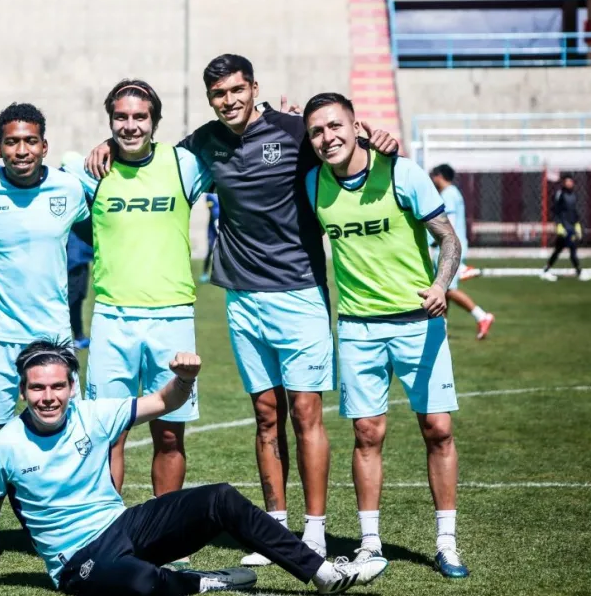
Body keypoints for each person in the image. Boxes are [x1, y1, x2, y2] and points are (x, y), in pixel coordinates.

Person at [86, 55, 399, 566]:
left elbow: (341, 150)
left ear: (255, 87)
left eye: (237, 90)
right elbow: (143, 151)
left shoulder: (297, 131)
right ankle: (274, 527)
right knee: (265, 415)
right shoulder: (204, 144)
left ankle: (314, 533)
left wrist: (377, 139)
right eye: (219, 94)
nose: (229, 101)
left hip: (300, 292)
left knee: (305, 414)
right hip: (242, 297)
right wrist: (106, 144)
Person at [0, 340, 389, 596]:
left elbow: (163, 401)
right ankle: (202, 581)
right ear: (23, 391)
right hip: (76, 562)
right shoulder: (2, 446)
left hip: (124, 525)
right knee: (141, 584)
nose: (49, 396)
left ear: (72, 388)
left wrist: (184, 378)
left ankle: (321, 572)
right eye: (37, 388)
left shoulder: (91, 414)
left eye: (58, 386)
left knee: (219, 497)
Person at [304, 92, 469, 578]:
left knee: (438, 429)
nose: (327, 137)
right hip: (357, 328)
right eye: (316, 131)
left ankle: (446, 543)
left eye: (336, 126)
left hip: (418, 324)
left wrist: (441, 285)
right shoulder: (313, 183)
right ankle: (370, 543)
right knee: (366, 433)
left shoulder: (402, 173)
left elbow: (448, 238)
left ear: (357, 126)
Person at [63, 81, 207, 559]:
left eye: (139, 117)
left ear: (155, 122)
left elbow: (233, 146)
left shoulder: (183, 164)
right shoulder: (91, 172)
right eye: (121, 118)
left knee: (170, 432)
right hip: (112, 318)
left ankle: (168, 538)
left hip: (171, 318)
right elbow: (34, 178)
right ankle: (105, 533)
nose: (130, 125)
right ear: (109, 122)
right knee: (109, 433)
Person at [0, 102, 90, 575]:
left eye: (30, 140)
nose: (22, 149)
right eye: (12, 141)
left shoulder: (69, 189)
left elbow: (107, 224)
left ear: (44, 145)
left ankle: (72, 526)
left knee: (68, 432)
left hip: (51, 334)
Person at [429, 164, 495, 339]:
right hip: (451, 247)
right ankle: (440, 328)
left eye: (432, 175)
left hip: (447, 248)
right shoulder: (453, 193)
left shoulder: (448, 194)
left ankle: (482, 316)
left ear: (439, 176)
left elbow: (448, 222)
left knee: (447, 289)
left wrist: (437, 243)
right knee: (443, 291)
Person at [541, 173, 591, 281]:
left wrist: (577, 226)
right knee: (572, 249)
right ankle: (579, 272)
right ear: (563, 183)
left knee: (558, 250)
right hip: (564, 228)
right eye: (567, 181)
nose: (569, 183)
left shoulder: (573, 195)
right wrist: (559, 226)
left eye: (571, 181)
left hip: (571, 227)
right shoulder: (559, 194)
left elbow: (574, 212)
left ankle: (545, 270)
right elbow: (555, 211)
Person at [66, 230, 93, 349]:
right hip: (74, 264)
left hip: (77, 262)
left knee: (78, 299)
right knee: (73, 301)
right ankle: (77, 336)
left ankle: (79, 336)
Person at [199, 191, 219, 284]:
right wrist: (216, 222)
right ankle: (204, 273)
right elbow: (212, 210)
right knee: (210, 249)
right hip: (212, 227)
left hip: (223, 225)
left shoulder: (225, 191)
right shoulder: (209, 196)